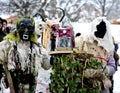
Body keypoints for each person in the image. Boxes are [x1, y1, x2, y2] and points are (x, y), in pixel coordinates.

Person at [0, 16, 51, 93]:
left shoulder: (37, 47)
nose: (26, 31)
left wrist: (52, 60)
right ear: (18, 29)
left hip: (30, 86)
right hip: (12, 86)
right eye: (23, 27)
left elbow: (46, 65)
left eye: (29, 28)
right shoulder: (7, 45)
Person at [75, 17, 116, 93]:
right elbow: (73, 59)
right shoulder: (82, 41)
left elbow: (113, 66)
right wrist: (84, 70)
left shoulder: (109, 45)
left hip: (101, 83)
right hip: (83, 82)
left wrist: (102, 71)